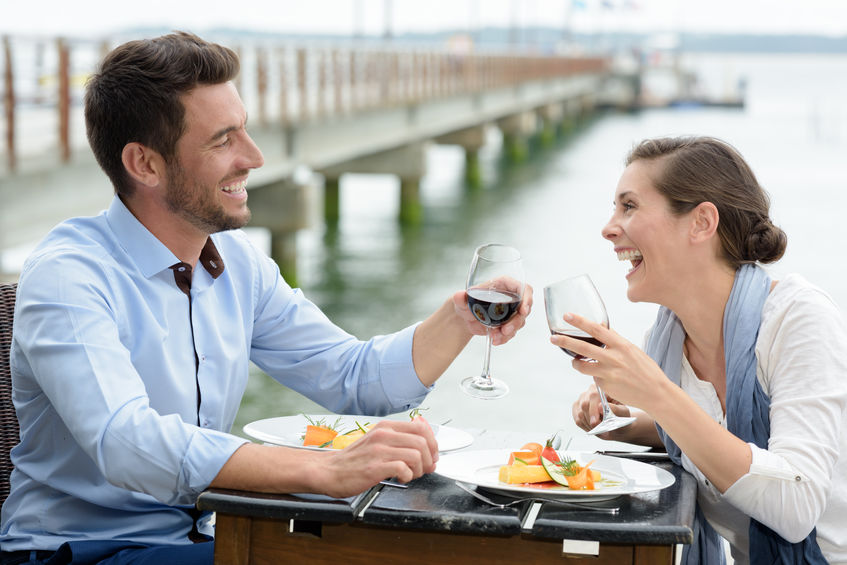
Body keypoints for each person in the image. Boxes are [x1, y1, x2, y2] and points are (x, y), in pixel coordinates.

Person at [0, 32, 532, 564]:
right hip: (79, 550)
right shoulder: (69, 277)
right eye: (222, 140)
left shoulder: (239, 262)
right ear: (145, 164)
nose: (253, 157)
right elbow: (125, 441)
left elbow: (353, 380)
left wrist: (460, 319)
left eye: (245, 130)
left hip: (207, 538)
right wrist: (324, 469)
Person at [563, 136, 846, 564]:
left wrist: (657, 392)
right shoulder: (668, 340)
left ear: (701, 223)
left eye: (629, 206)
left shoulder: (797, 319)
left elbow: (796, 508)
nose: (608, 227)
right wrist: (624, 423)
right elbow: (712, 430)